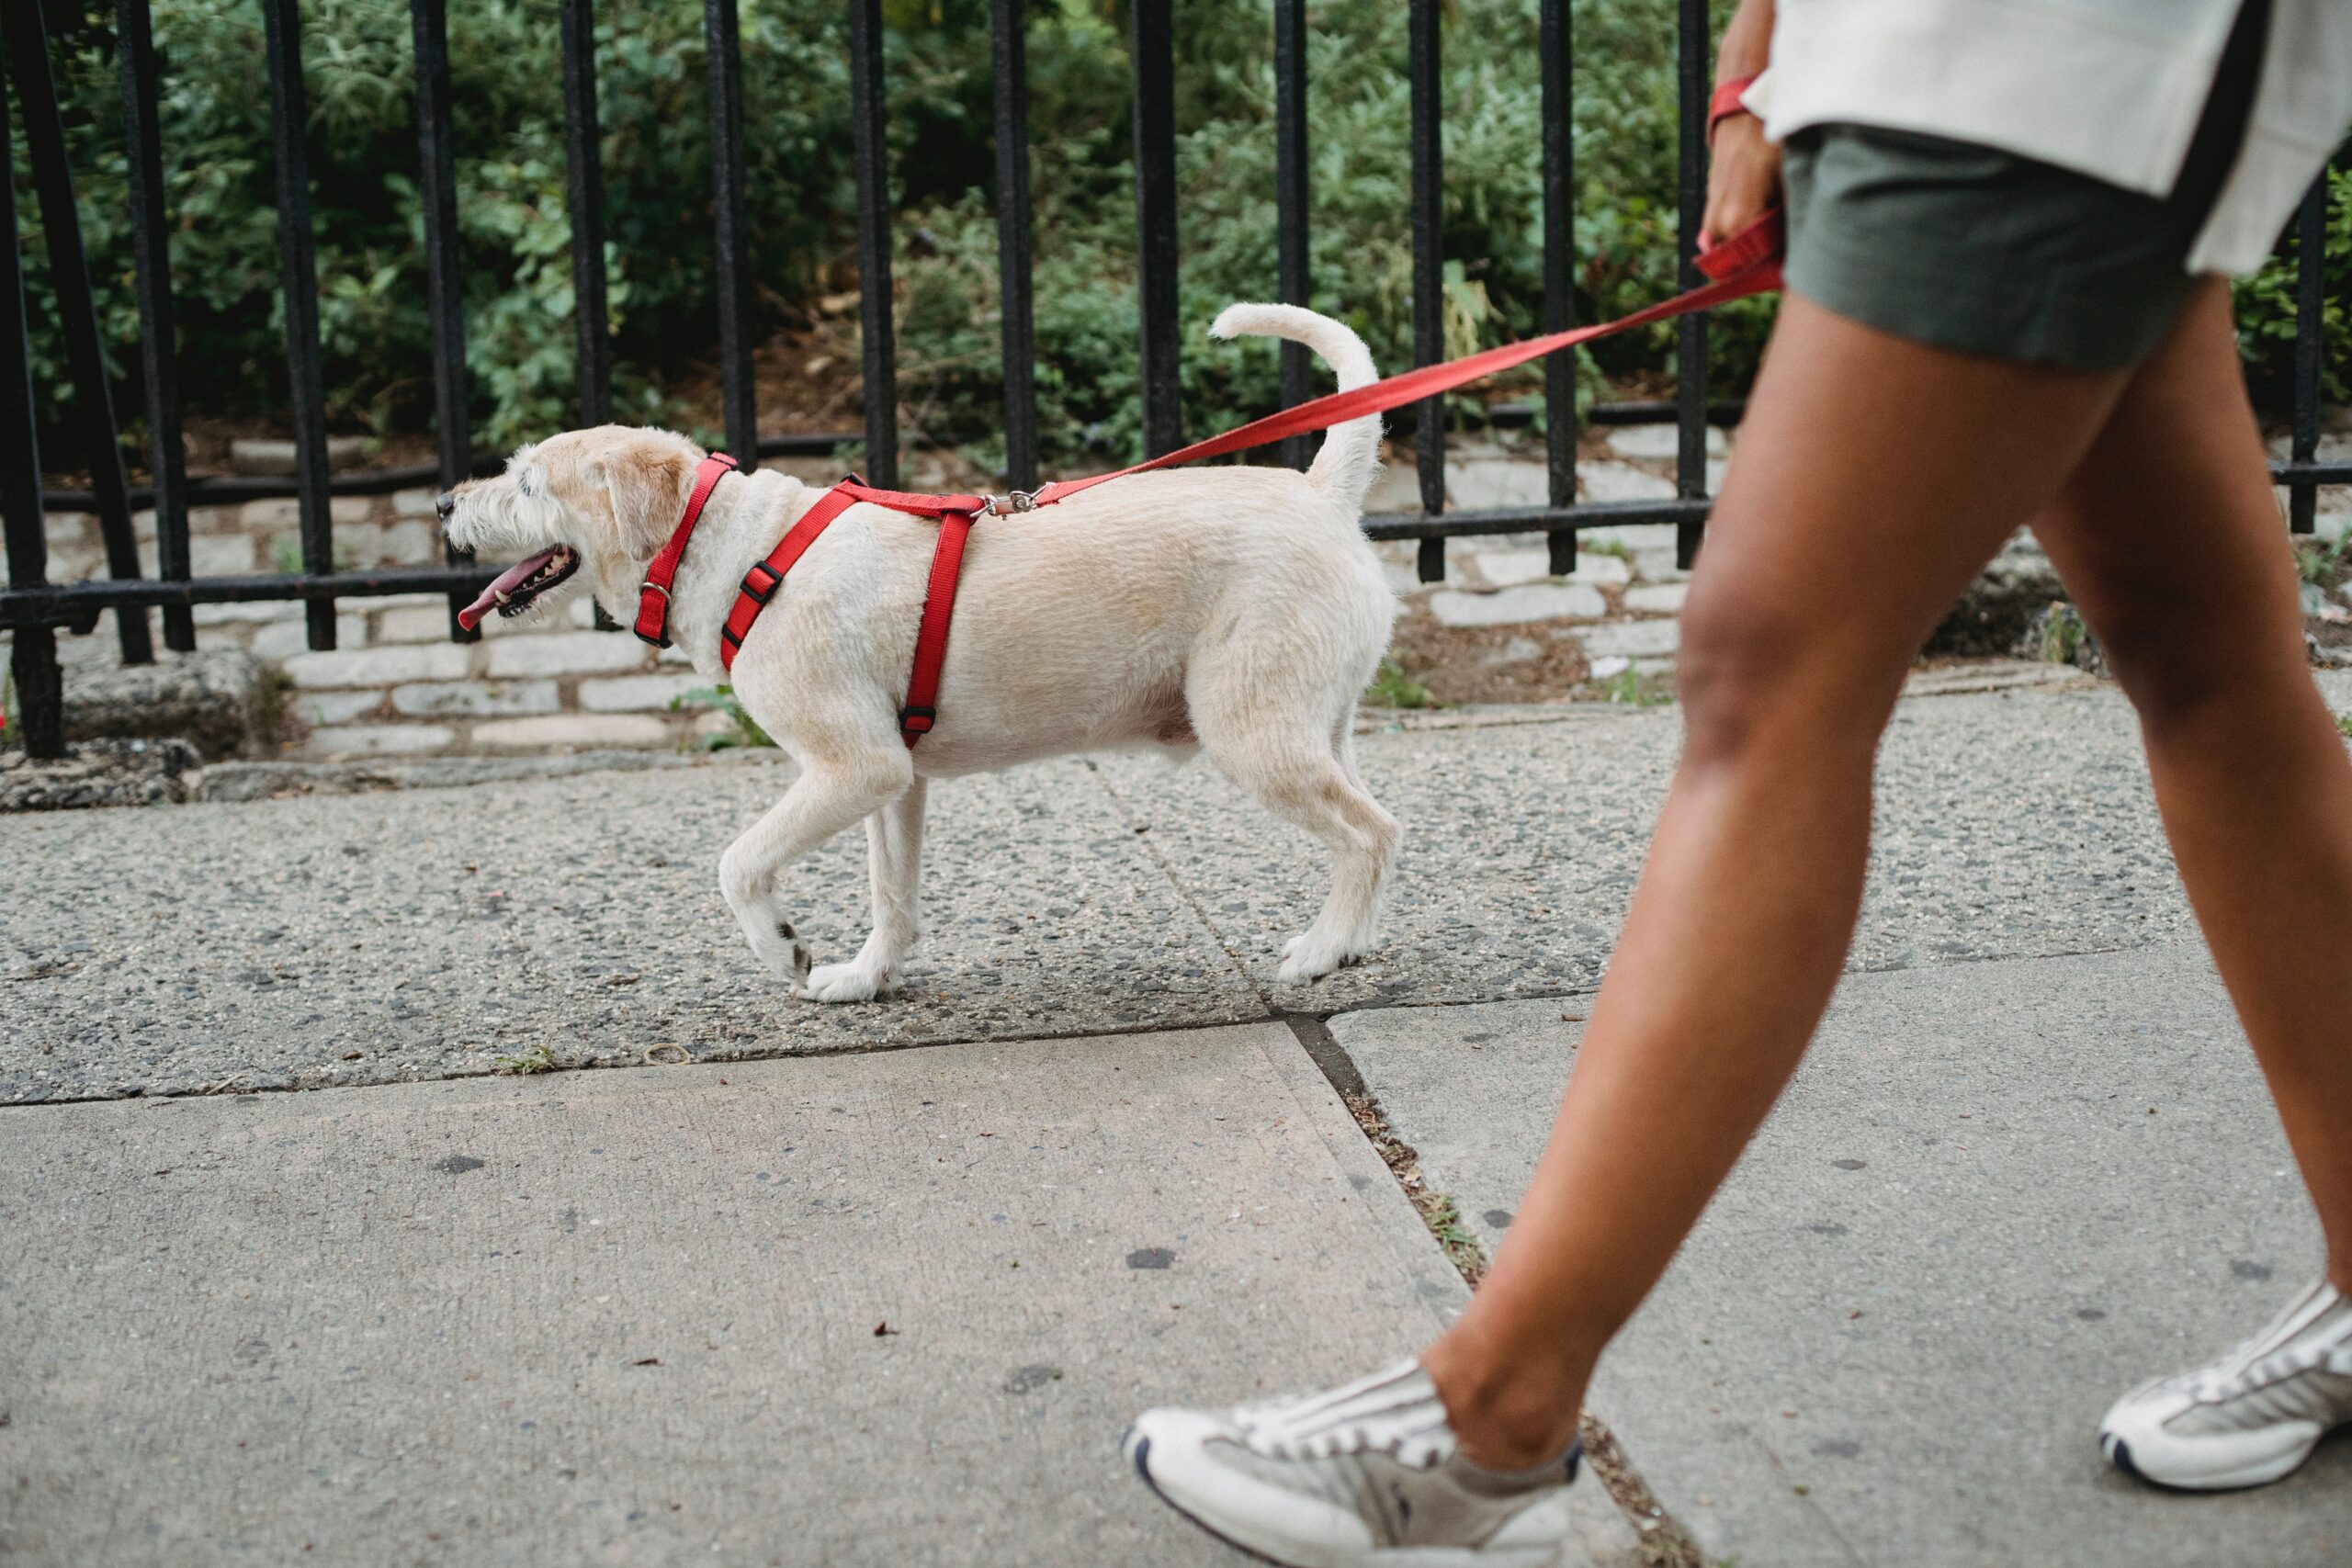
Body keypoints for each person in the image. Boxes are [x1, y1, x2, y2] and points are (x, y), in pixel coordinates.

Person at [1123, 0, 2352, 1560]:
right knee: (2207, 666)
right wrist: (1757, 67)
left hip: (2043, 56)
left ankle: (1493, 1410)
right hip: (1943, 54)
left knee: (1768, 672)